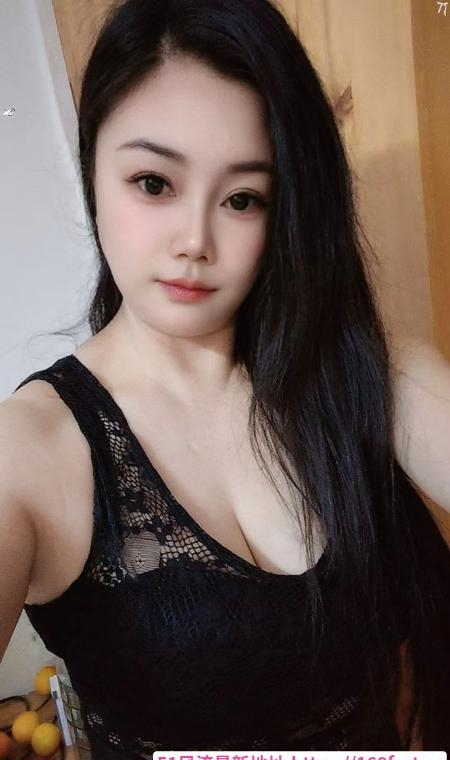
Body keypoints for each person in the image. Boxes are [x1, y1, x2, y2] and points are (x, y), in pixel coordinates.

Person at [1, 0, 449, 756]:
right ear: (92, 170)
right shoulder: (31, 450)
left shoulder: (369, 373)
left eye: (243, 198)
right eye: (153, 183)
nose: (195, 241)